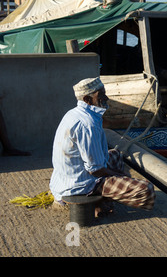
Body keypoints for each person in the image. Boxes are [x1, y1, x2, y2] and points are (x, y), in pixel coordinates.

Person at [49, 77, 155, 216]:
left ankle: (101, 200)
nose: (106, 98)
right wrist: (120, 176)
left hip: (66, 179)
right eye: (101, 95)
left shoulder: (74, 113)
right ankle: (97, 202)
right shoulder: (87, 124)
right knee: (146, 189)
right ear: (87, 99)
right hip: (80, 185)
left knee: (116, 155)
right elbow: (95, 170)